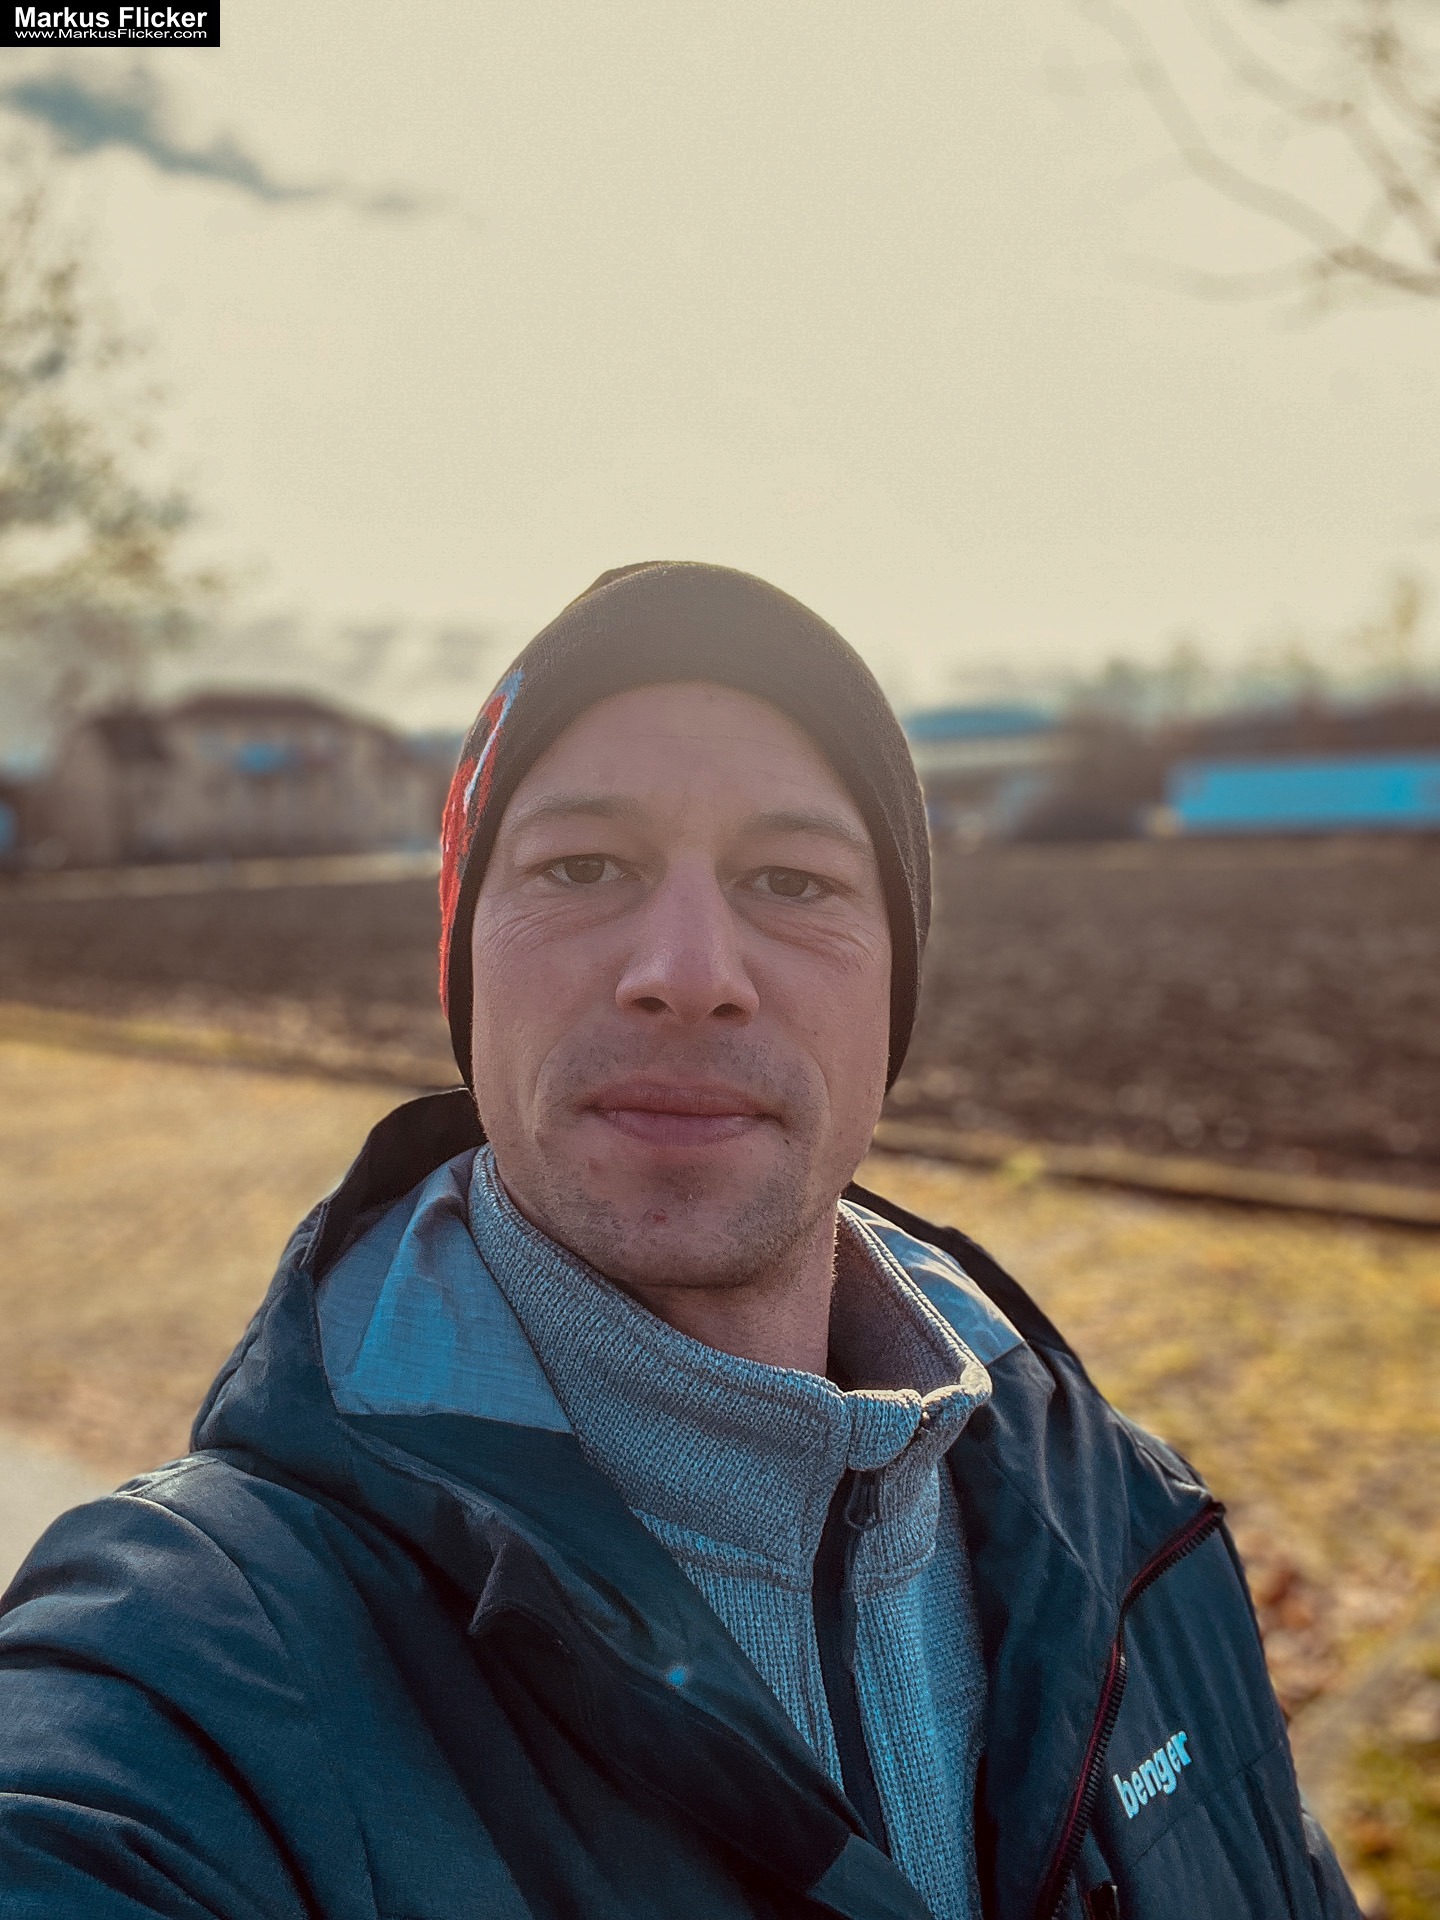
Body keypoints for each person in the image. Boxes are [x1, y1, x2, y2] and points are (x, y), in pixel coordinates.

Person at [0, 563, 1358, 1920]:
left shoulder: (1138, 1535)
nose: (690, 973)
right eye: (582, 867)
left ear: (894, 988)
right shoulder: (189, 1666)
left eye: (794, 879)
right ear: (467, 963)